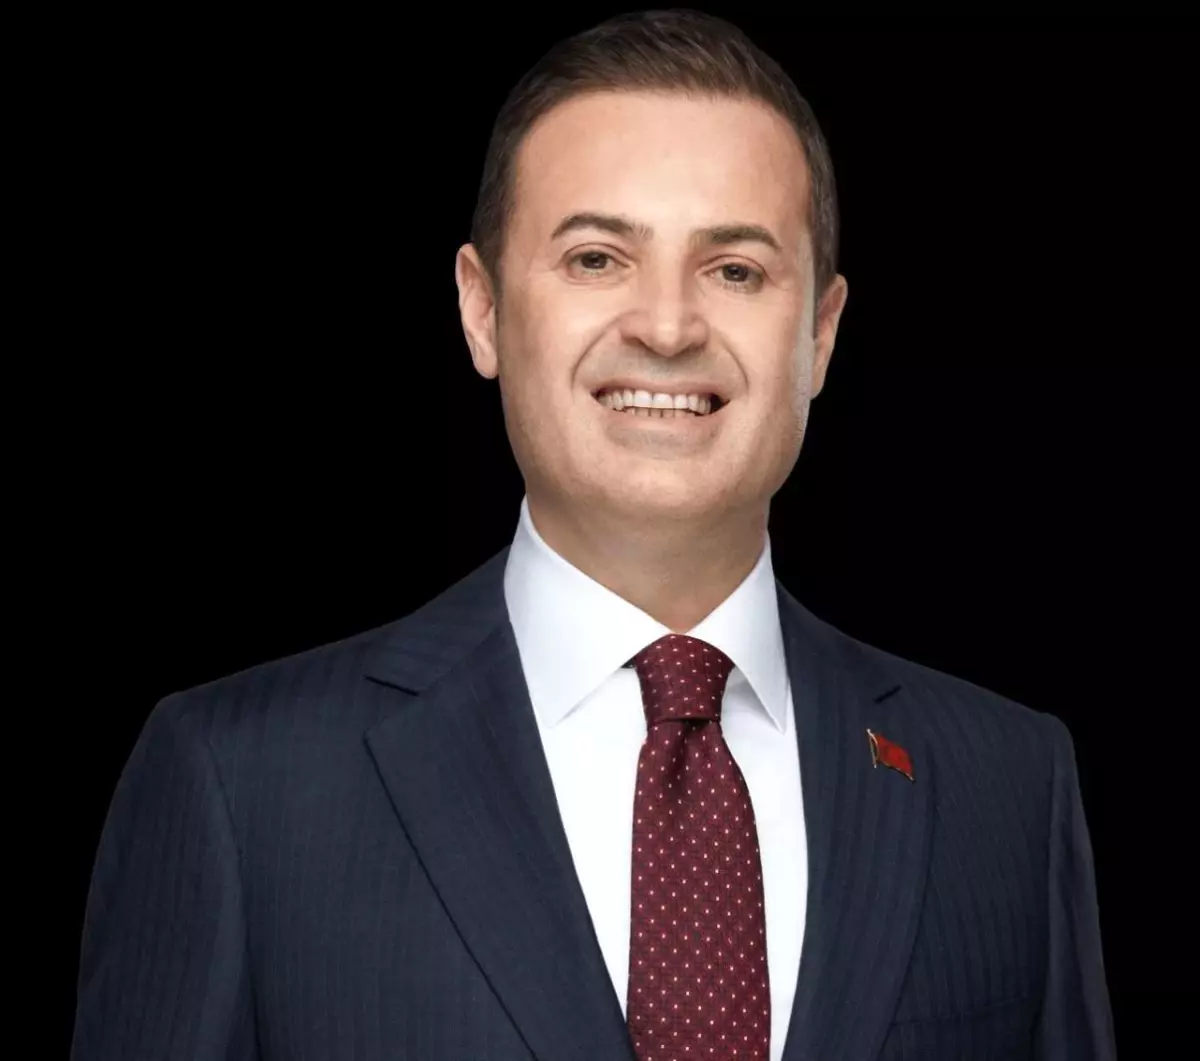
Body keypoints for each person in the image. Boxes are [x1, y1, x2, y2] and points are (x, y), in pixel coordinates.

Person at [71, 11, 1116, 1060]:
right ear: (482, 310)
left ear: (821, 333)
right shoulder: (242, 784)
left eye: (735, 270)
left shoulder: (1005, 784)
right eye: (596, 258)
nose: (666, 326)